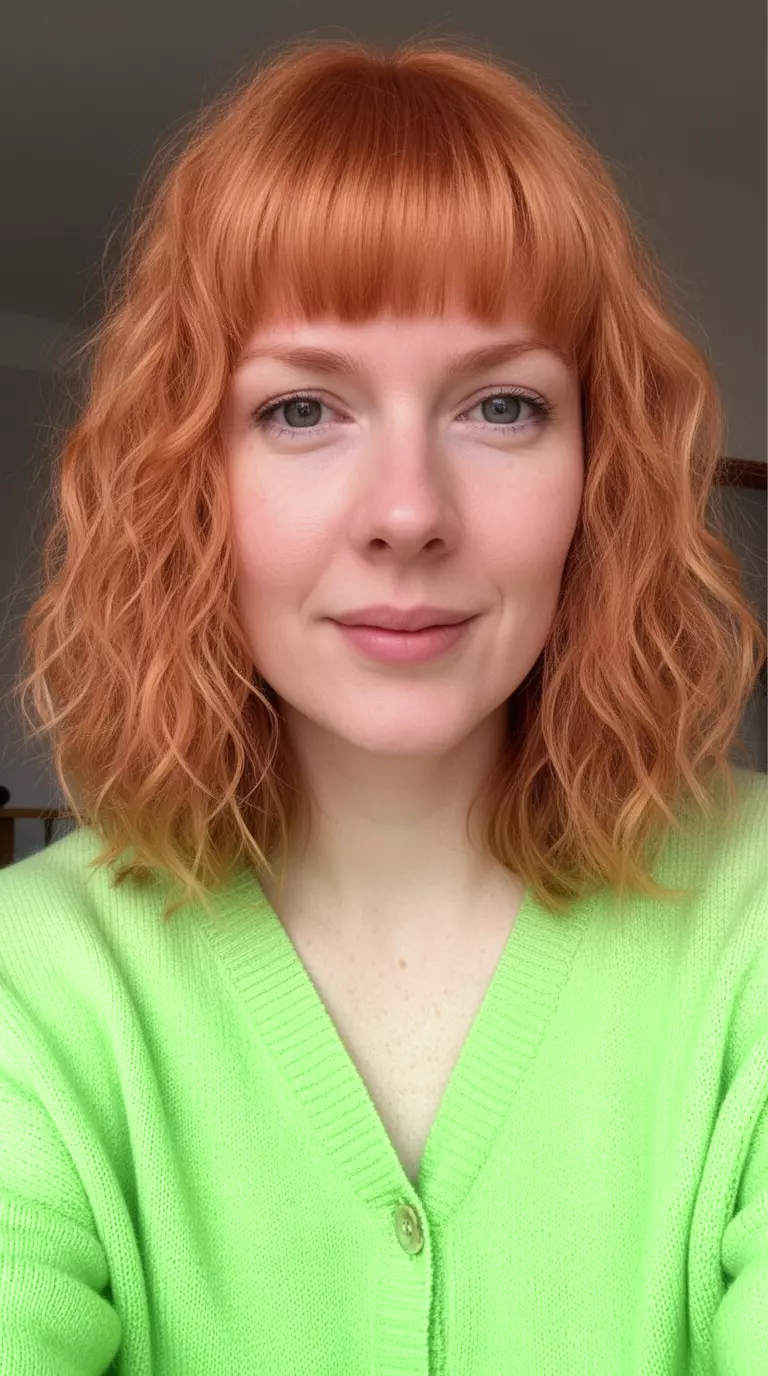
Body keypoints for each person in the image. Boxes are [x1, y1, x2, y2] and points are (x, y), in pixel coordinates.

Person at [0, 35, 766, 1375]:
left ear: (603, 469)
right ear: (193, 478)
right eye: (302, 408)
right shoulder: (32, 984)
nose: (408, 513)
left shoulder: (752, 918)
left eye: (504, 407)